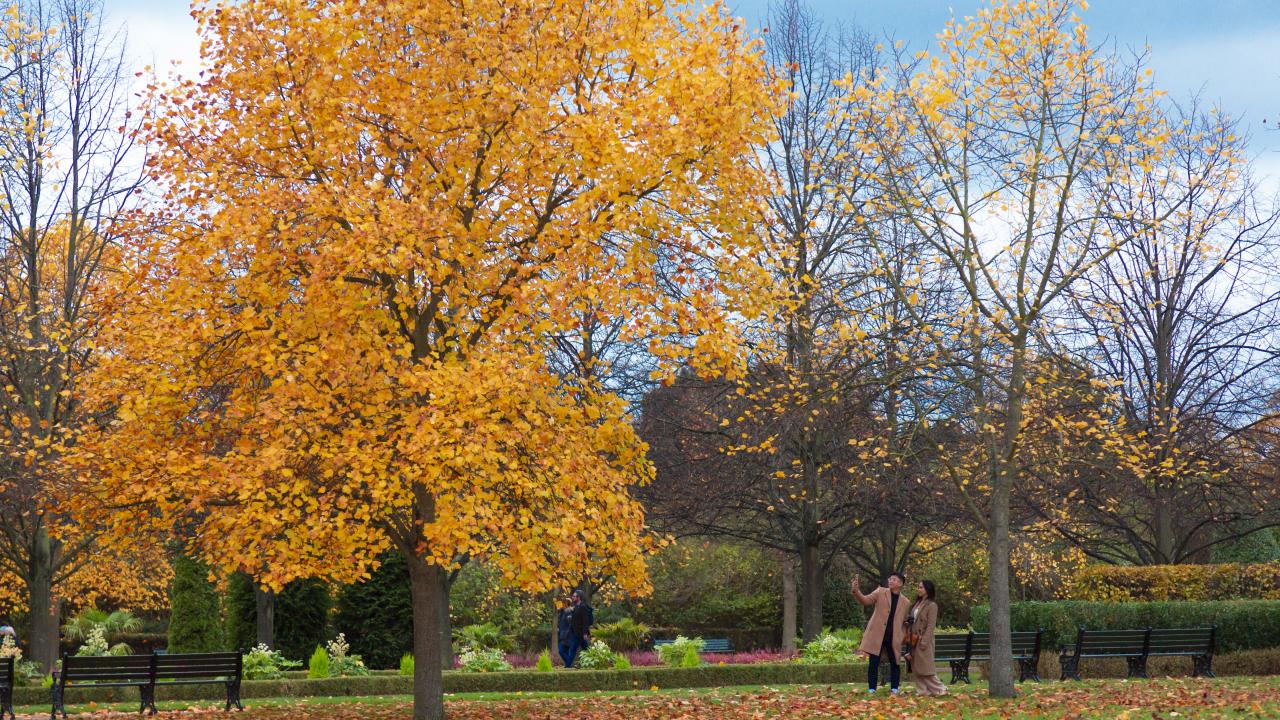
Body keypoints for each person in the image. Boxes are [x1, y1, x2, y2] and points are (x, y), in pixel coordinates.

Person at [851, 572, 907, 694]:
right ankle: (872, 688)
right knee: (874, 662)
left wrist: (901, 635)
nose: (890, 581)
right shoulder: (880, 592)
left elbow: (904, 621)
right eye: (890, 578)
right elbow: (866, 601)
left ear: (900, 583)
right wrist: (856, 590)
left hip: (893, 637)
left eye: (894, 579)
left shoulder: (905, 602)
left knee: (895, 662)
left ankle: (895, 688)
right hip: (878, 635)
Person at [905, 579, 947, 696]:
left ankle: (941, 689)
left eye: (921, 587)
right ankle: (922, 691)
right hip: (913, 639)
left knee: (926, 668)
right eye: (918, 587)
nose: (918, 589)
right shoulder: (917, 604)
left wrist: (924, 641)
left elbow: (931, 626)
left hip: (923, 640)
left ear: (928, 589)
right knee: (916, 667)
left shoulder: (932, 605)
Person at [567, 589, 594, 667]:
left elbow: (586, 621)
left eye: (574, 596)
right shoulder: (576, 606)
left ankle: (567, 666)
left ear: (579, 597)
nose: (573, 597)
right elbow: (577, 619)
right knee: (586, 649)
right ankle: (594, 662)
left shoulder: (583, 607)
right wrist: (571, 618)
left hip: (580, 633)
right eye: (573, 596)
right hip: (576, 632)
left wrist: (585, 633)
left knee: (572, 649)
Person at [555, 597, 575, 667]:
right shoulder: (562, 612)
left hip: (567, 635)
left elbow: (571, 624)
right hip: (562, 635)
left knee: (561, 651)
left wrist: (567, 633)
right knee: (564, 651)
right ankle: (569, 665)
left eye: (563, 603)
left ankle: (569, 665)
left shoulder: (569, 611)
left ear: (566, 604)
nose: (562, 605)